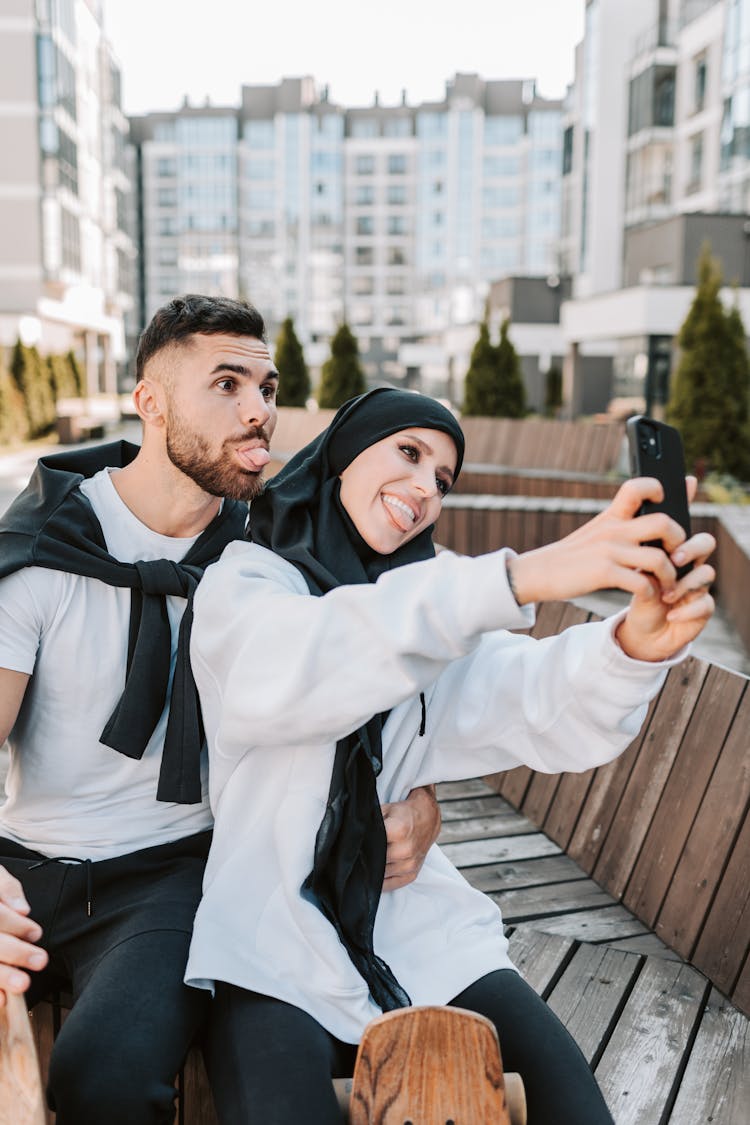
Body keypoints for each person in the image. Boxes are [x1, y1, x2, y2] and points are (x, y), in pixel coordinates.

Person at [186, 387, 716, 1125]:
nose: (424, 488)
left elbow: (529, 692)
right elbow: (319, 657)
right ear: (344, 450)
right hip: (270, 944)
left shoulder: (430, 607)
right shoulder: (246, 586)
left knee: (577, 1111)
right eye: (408, 452)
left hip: (415, 928)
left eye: (442, 479)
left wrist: (632, 648)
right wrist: (520, 577)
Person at [0, 298, 440, 1124]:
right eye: (227, 383)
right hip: (19, 865)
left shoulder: (272, 559)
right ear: (151, 401)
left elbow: (376, 714)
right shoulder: (43, 549)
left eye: (267, 387)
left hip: (167, 875)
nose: (258, 411)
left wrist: (424, 809)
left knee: (107, 1080)